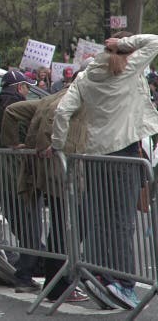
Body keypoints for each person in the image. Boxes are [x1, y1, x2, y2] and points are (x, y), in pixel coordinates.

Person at [49, 33, 158, 310]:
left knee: (100, 218)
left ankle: (99, 272)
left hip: (95, 153)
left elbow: (62, 113)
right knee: (122, 221)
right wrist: (124, 43)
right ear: (124, 54)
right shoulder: (130, 69)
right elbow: (155, 40)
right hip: (124, 151)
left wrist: (57, 146)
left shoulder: (85, 78)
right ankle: (122, 282)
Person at [1, 88, 90, 303]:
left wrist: (13, 143)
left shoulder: (51, 98)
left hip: (48, 169)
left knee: (61, 226)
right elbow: (60, 116)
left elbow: (11, 111)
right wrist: (56, 145)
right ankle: (59, 284)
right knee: (69, 226)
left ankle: (56, 282)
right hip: (64, 170)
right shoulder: (78, 99)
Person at [0, 70, 43, 292]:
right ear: (19, 87)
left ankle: (33, 268)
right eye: (27, 87)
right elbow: (30, 139)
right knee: (31, 228)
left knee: (21, 228)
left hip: (0, 177)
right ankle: (26, 275)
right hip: (24, 175)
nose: (28, 91)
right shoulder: (23, 110)